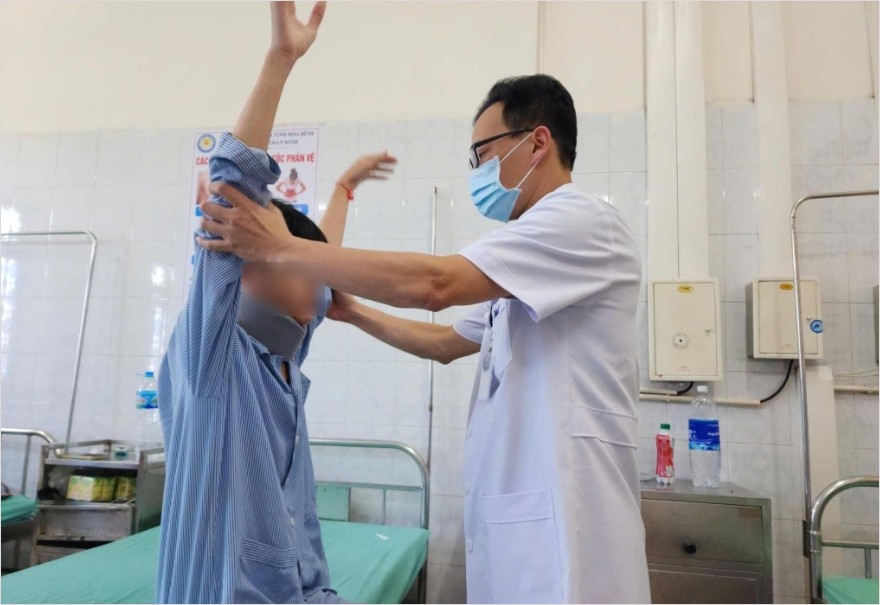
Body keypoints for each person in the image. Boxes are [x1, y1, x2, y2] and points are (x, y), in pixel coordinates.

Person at [198, 70, 651, 603]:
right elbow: (444, 344)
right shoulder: (223, 351)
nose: (477, 168)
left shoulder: (579, 222)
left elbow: (435, 285)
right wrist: (356, 312)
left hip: (569, 522)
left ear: (538, 142)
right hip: (525, 523)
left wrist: (278, 246)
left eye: (482, 151)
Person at [156, 2, 394, 602]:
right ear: (251, 263)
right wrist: (280, 60)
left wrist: (342, 189)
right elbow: (232, 186)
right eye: (297, 264)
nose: (316, 282)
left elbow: (322, 258)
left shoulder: (284, 352)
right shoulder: (213, 353)